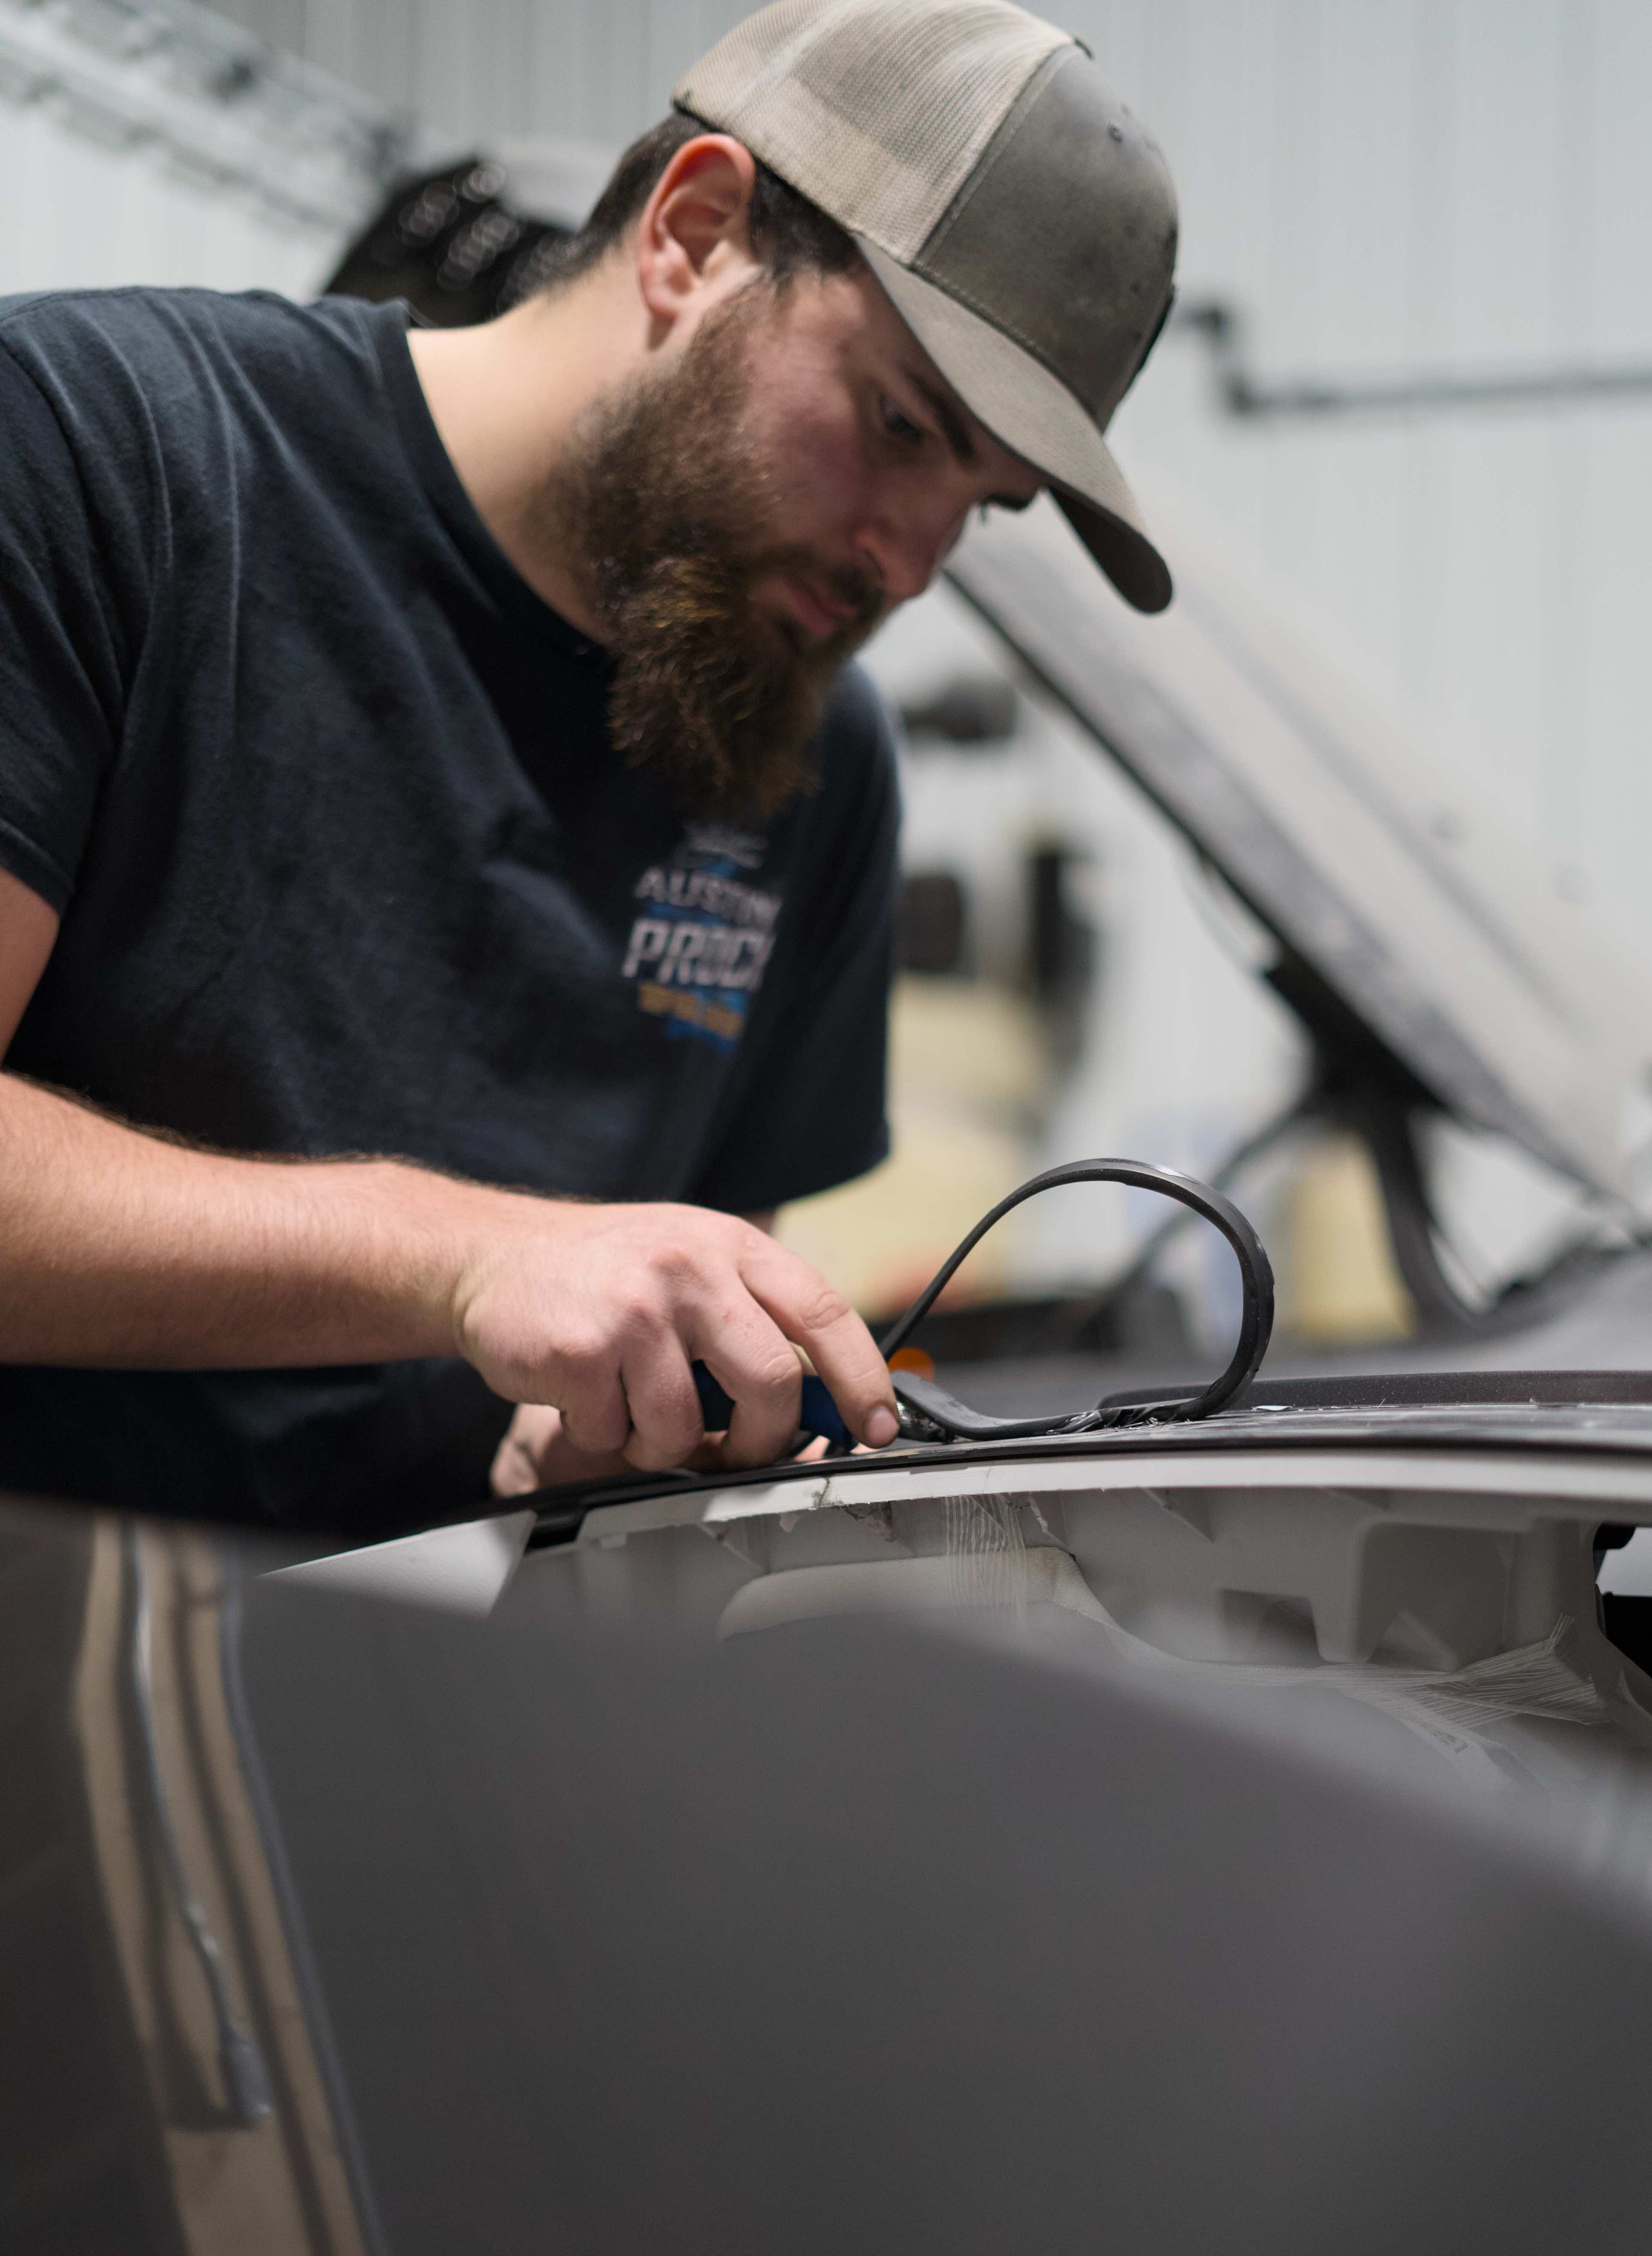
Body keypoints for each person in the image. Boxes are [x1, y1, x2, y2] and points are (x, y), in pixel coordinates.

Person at [0, 0, 1178, 1541]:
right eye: (898, 423)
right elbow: (507, 1270)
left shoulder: (806, 758)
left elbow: (666, 1327)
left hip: (419, 1713)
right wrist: (469, 1260)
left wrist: (642, 1442)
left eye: (982, 503)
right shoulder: (104, 459)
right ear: (692, 235)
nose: (911, 558)